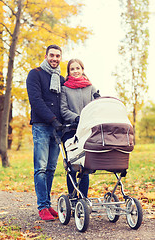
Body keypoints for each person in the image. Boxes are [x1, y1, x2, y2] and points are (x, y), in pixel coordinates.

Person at [26, 45, 65, 221]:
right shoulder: (35, 74)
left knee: (51, 168)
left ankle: (48, 204)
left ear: (60, 58)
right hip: (42, 125)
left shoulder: (61, 78)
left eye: (57, 56)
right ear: (46, 56)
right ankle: (42, 206)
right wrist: (52, 119)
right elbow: (36, 101)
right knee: (40, 168)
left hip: (57, 129)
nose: (54, 58)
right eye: (52, 55)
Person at [60, 59, 99, 198]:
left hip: (87, 132)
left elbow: (96, 106)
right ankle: (72, 197)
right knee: (72, 166)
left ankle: (83, 199)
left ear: (82, 69)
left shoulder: (91, 88)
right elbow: (63, 110)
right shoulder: (65, 88)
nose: (75, 71)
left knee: (85, 166)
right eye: (72, 69)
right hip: (71, 131)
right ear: (69, 72)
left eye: (78, 68)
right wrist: (77, 118)